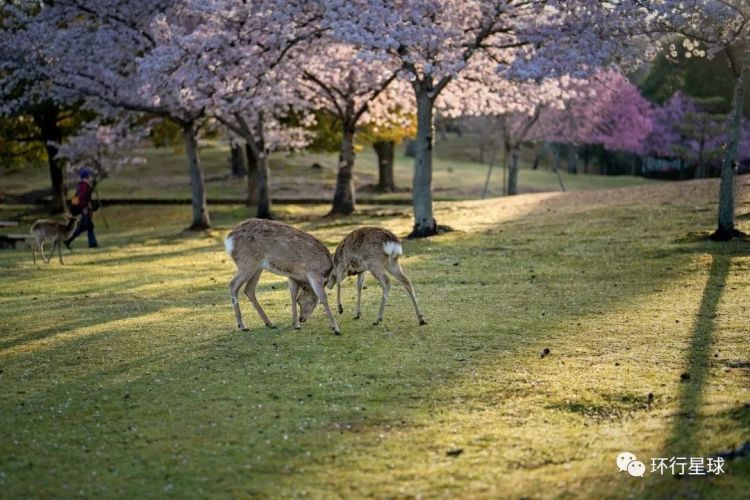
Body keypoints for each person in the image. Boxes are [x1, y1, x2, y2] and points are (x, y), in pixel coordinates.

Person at [64, 168, 99, 249]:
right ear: (87, 176)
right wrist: (85, 207)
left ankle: (92, 243)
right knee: (86, 226)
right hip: (84, 209)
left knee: (87, 226)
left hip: (83, 208)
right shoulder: (84, 185)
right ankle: (68, 240)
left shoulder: (81, 184)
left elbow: (79, 197)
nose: (90, 177)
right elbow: (82, 196)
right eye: (89, 176)